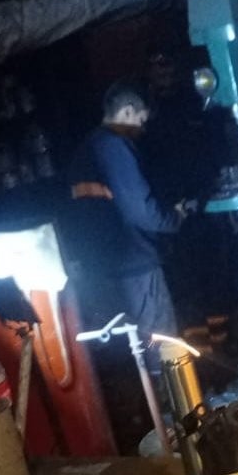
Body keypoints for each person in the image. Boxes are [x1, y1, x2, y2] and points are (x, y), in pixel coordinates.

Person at [67, 80, 187, 365]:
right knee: (163, 348)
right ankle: (178, 407)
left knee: (134, 355)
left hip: (105, 269)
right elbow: (142, 210)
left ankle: (154, 405)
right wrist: (176, 217)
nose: (142, 130)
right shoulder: (115, 145)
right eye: (141, 121)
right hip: (137, 266)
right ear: (129, 112)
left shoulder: (84, 151)